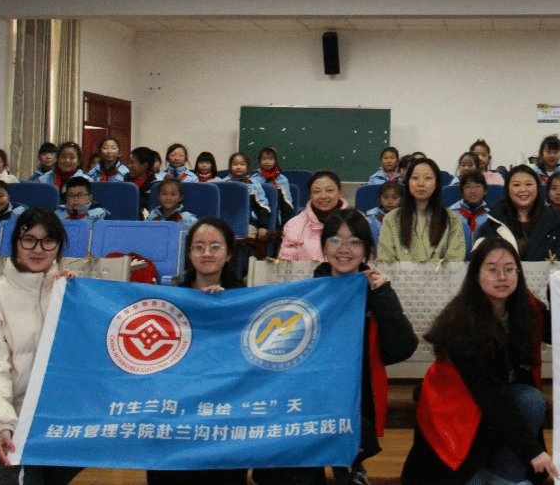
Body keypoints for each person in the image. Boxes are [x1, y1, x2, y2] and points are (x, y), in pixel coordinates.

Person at [257, 210, 418, 485]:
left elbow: (400, 350)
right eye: (334, 240)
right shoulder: (308, 294)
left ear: (366, 250)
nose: (344, 249)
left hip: (355, 406)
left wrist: (384, 297)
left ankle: (352, 468)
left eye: (354, 242)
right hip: (309, 406)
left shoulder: (376, 292)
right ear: (323, 247)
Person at [401, 234, 557, 485]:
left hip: (492, 414)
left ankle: (506, 475)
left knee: (530, 400)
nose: (502, 277)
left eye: (509, 269)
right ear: (476, 274)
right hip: (454, 420)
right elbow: (493, 398)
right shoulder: (460, 323)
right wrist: (534, 453)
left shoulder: (526, 306)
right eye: (492, 270)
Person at [0, 208, 81, 485]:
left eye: (48, 241)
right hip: (6, 421)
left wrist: (77, 297)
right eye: (29, 240)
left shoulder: (66, 290)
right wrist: (0, 424)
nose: (38, 249)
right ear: (16, 244)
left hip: (51, 420)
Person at [150, 218, 246, 485]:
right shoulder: (170, 301)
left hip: (225, 418)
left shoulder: (246, 299)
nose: (206, 253)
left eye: (215, 246)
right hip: (177, 417)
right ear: (189, 253)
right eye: (198, 246)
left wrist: (224, 307)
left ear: (229, 254)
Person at [475, 165, 560, 262]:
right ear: (507, 189)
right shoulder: (494, 219)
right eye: (516, 185)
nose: (523, 190)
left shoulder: (553, 219)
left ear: (538, 187)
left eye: (528, 184)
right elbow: (479, 259)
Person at [378, 158, 466, 262]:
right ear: (408, 182)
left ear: (436, 183)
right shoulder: (391, 219)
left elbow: (455, 262)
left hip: (440, 274)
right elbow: (385, 262)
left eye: (427, 178)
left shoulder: (452, 219)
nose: (420, 183)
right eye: (415, 178)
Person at [278, 169, 348, 262]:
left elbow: (362, 262)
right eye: (317, 192)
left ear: (339, 193)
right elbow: (286, 264)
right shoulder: (293, 225)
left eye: (329, 191)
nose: (323, 196)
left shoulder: (356, 221)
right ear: (310, 195)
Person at [224, 152, 270, 239]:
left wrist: (263, 226)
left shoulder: (254, 185)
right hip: (227, 221)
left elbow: (264, 207)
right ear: (230, 166)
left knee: (245, 238)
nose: (238, 167)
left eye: (242, 164)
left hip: (249, 222)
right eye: (235, 164)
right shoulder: (223, 183)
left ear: (247, 167)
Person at [449, 171, 492, 254]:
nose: (473, 191)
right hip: (456, 259)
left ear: (485, 190)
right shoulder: (451, 213)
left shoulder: (491, 216)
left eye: (477, 186)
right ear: (462, 191)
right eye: (468, 187)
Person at [254, 146, 296, 229]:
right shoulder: (254, 179)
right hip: (259, 215)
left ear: (275, 161)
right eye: (264, 159)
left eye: (270, 159)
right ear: (260, 161)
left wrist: (286, 226)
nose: (267, 162)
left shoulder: (282, 179)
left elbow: (287, 203)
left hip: (277, 216)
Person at [364, 180, 403, 245]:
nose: (390, 201)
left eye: (395, 198)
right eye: (385, 197)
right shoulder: (371, 217)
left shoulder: (406, 217)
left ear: (401, 199)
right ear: (380, 198)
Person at [127, 146, 160, 213]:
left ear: (144, 166)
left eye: (132, 162)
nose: (129, 165)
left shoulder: (156, 185)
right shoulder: (124, 181)